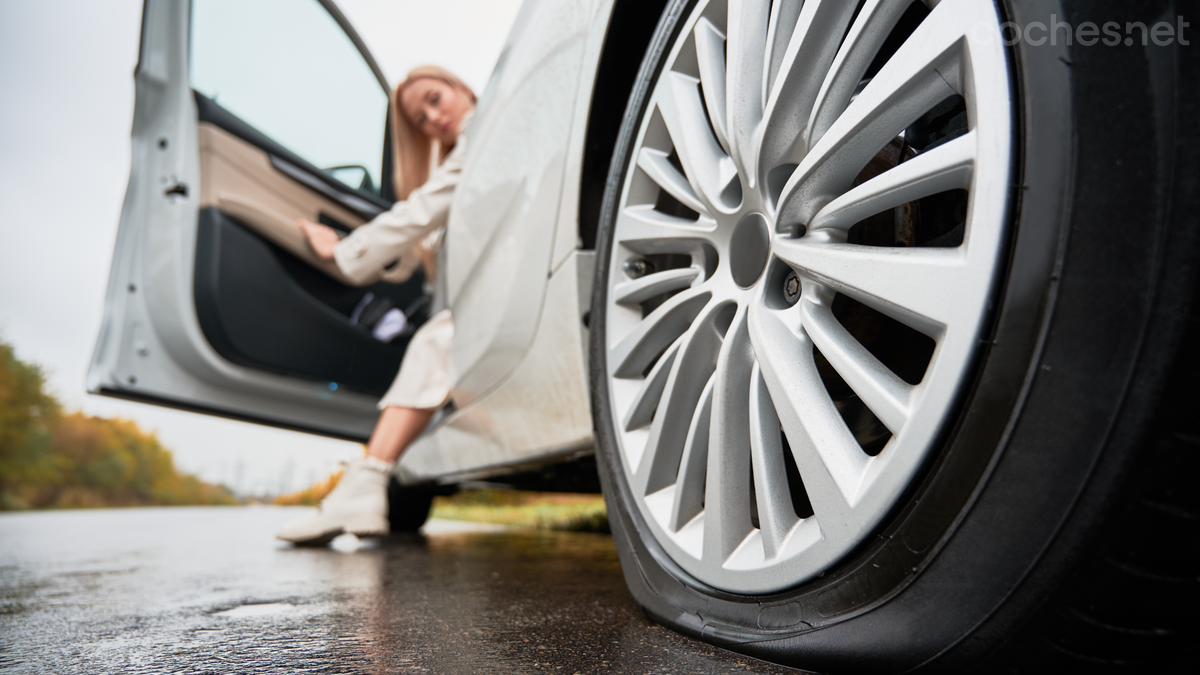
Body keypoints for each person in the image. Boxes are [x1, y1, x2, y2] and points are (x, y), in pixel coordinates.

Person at [276, 66, 476, 545]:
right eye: (421, 119)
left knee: (437, 339)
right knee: (434, 339)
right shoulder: (462, 155)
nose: (433, 118)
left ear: (461, 88)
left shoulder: (483, 131)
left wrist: (343, 250)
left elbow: (420, 210)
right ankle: (362, 486)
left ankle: (361, 487)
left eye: (435, 99)